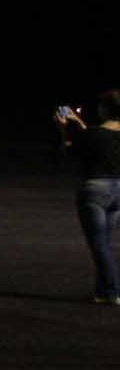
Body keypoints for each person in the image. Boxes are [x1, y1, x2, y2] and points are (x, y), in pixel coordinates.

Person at [56, 90, 120, 305]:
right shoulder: (100, 134)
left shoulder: (94, 134)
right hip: (118, 192)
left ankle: (112, 290)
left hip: (95, 191)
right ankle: (102, 292)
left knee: (99, 245)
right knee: (105, 243)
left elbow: (72, 150)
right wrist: (78, 121)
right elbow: (95, 138)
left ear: (105, 109)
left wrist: (63, 129)